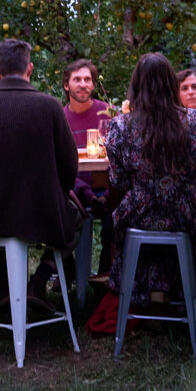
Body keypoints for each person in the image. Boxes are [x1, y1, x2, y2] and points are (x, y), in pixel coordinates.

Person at [105, 54, 196, 306]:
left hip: (140, 212)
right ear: (171, 84)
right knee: (178, 223)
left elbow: (118, 180)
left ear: (136, 85)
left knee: (127, 221)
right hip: (187, 213)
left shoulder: (121, 126)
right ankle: (171, 291)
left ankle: (146, 292)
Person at [0, 39, 82, 252]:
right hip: (42, 214)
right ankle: (44, 274)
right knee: (80, 216)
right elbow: (69, 168)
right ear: (30, 68)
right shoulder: (50, 106)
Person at [63, 58, 114, 274]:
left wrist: (109, 194)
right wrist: (86, 193)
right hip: (74, 191)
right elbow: (59, 164)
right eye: (77, 79)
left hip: (108, 188)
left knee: (116, 217)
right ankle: (68, 270)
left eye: (87, 79)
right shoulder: (60, 117)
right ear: (67, 85)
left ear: (93, 85)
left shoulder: (108, 113)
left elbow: (122, 159)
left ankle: (105, 276)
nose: (83, 84)